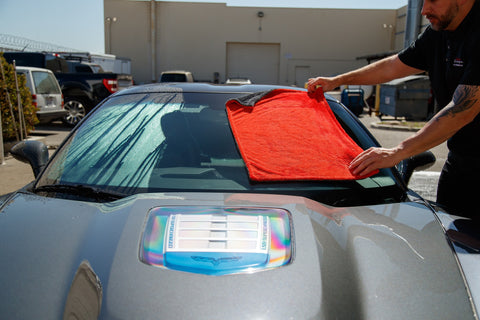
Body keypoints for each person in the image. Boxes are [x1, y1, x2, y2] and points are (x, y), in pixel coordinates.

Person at [307, 0, 480, 220]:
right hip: (460, 163)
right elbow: (393, 66)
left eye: (433, 1)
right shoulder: (439, 32)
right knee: (451, 241)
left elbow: (465, 108)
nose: (425, 10)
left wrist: (397, 153)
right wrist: (337, 81)